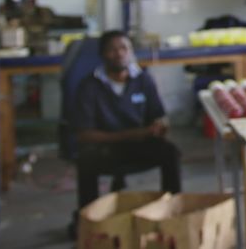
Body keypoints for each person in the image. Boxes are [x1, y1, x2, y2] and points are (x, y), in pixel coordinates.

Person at [70, 31, 181, 228]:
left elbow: (158, 114)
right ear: (102, 54)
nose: (119, 54)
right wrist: (132, 134)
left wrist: (160, 125)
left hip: (140, 145)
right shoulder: (89, 86)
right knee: (85, 161)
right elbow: (84, 134)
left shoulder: (143, 80)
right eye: (112, 50)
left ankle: (172, 212)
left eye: (124, 48)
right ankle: (88, 222)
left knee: (170, 153)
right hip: (104, 148)